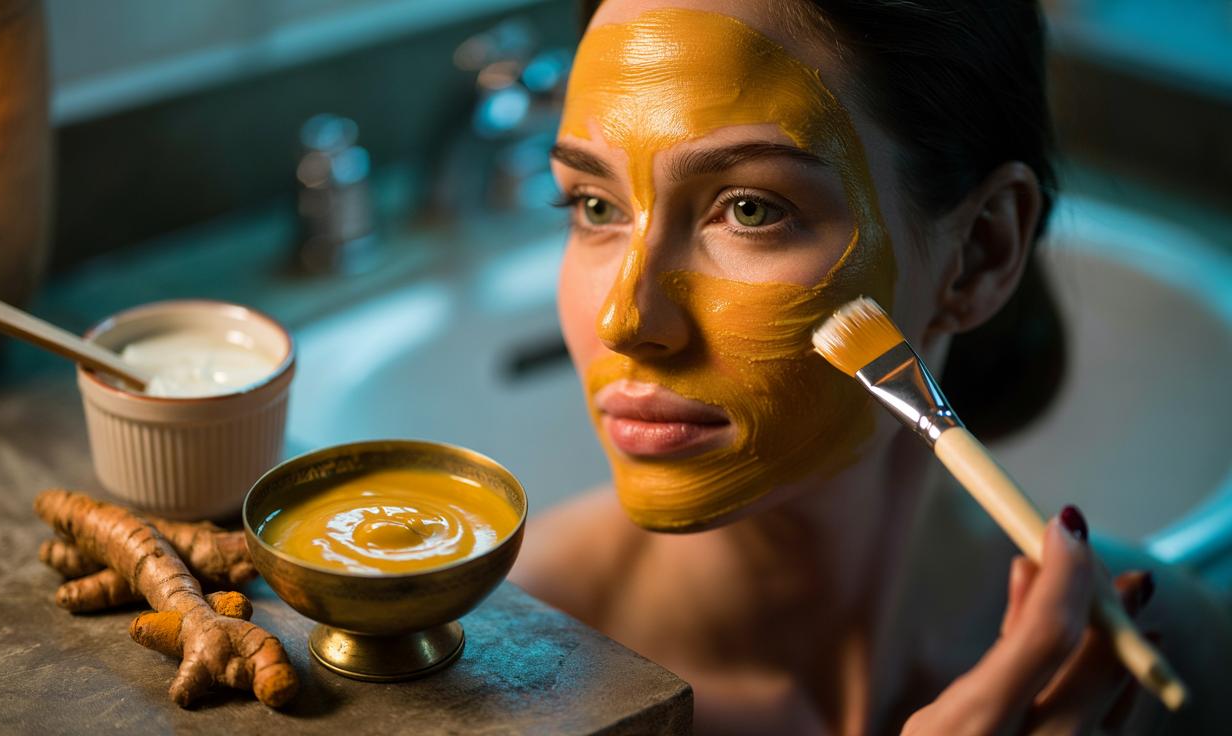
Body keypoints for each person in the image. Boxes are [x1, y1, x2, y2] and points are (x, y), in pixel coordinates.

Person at [509, 0, 1232, 733]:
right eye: (594, 206)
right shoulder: (495, 678)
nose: (624, 322)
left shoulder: (1168, 657)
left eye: (751, 210)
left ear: (979, 254)